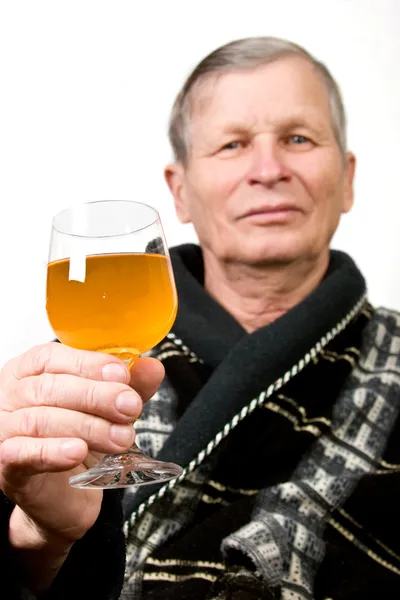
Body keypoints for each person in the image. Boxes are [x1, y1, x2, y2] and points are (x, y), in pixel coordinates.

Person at [1, 36, 400, 600]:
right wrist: (40, 538)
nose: (268, 169)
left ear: (349, 178)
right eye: (233, 144)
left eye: (298, 138)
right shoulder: (70, 379)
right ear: (180, 191)